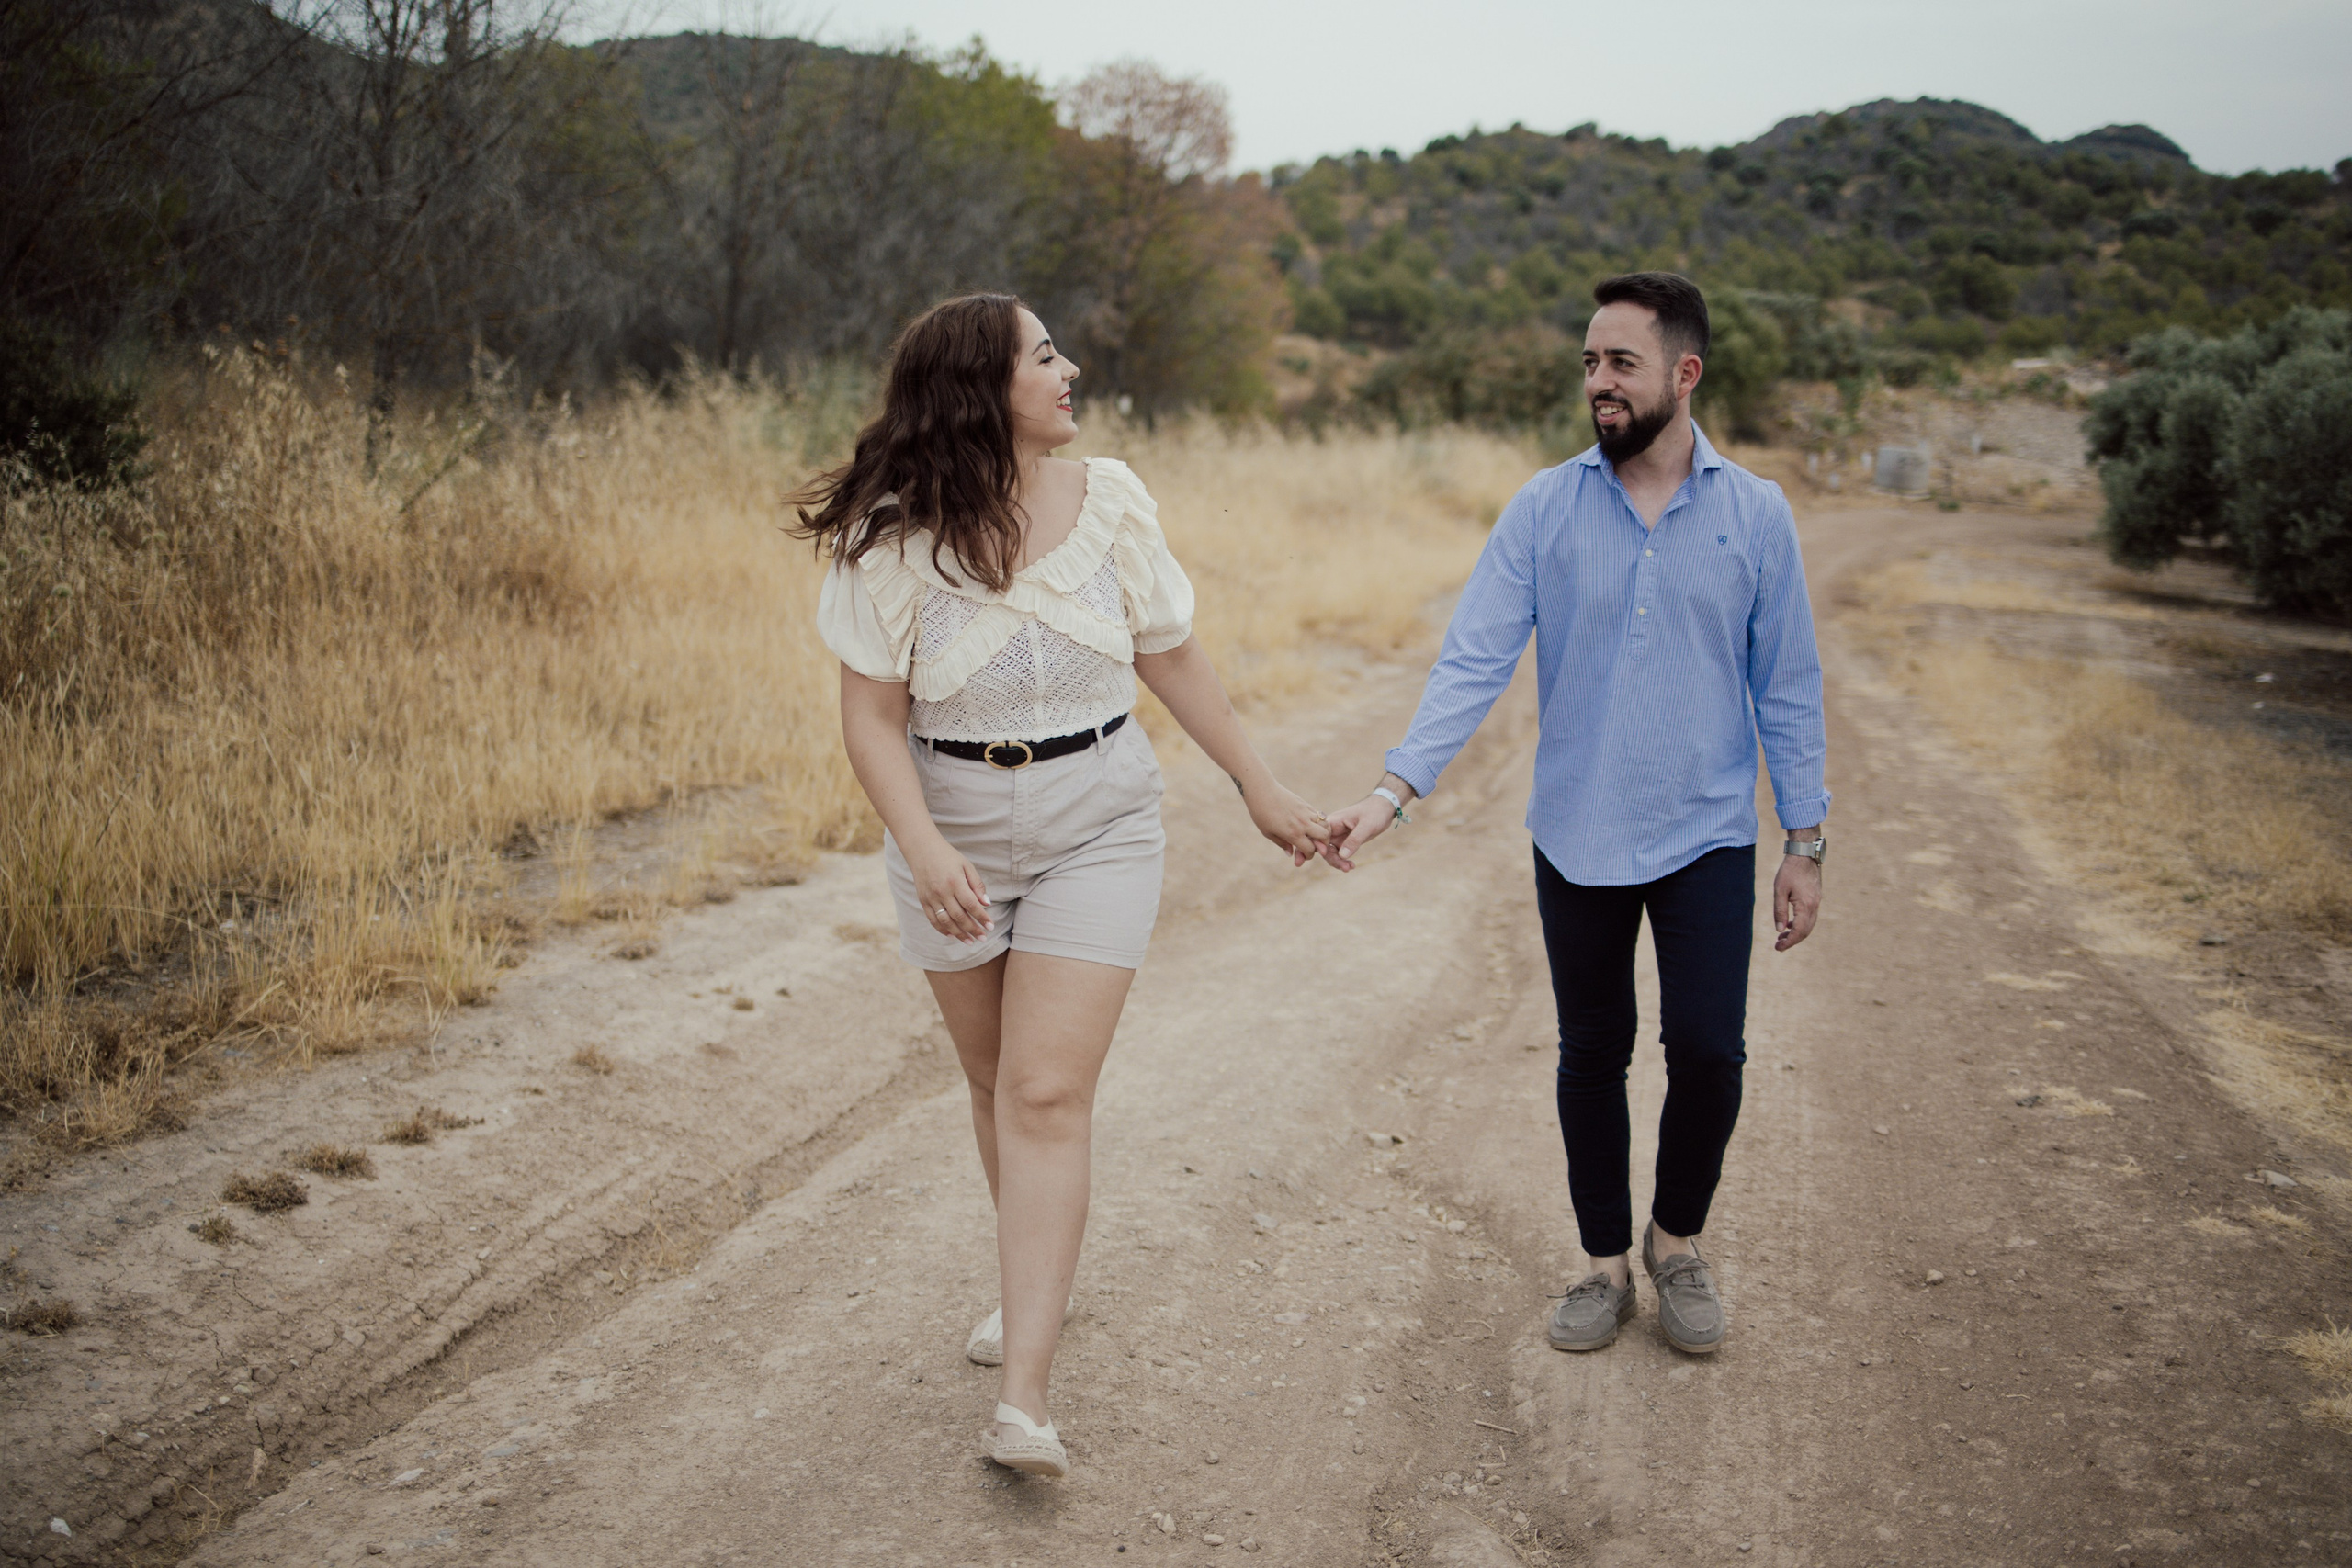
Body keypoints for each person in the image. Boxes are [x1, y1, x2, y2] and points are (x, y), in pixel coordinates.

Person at [797, 292, 1329, 1476]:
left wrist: (1258, 787)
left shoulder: (1115, 500)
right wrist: (926, 847)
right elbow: (871, 719)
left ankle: (1025, 1399)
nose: (1070, 368)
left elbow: (1169, 653)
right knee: (993, 1083)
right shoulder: (891, 536)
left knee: (1043, 1093)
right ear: (985, 388)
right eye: (1045, 356)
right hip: (951, 832)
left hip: (1102, 819)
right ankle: (1025, 1282)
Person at [1320, 271, 1828, 1356]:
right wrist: (1390, 794)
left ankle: (1675, 1242)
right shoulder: (1545, 507)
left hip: (1705, 834)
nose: (1598, 383)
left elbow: (1787, 686)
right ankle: (1603, 1265)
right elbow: (1472, 662)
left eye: (1620, 364)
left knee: (1709, 1051)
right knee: (1592, 1051)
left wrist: (1806, 840)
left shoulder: (1756, 514)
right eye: (1590, 364)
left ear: (1683, 375)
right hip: (1578, 835)